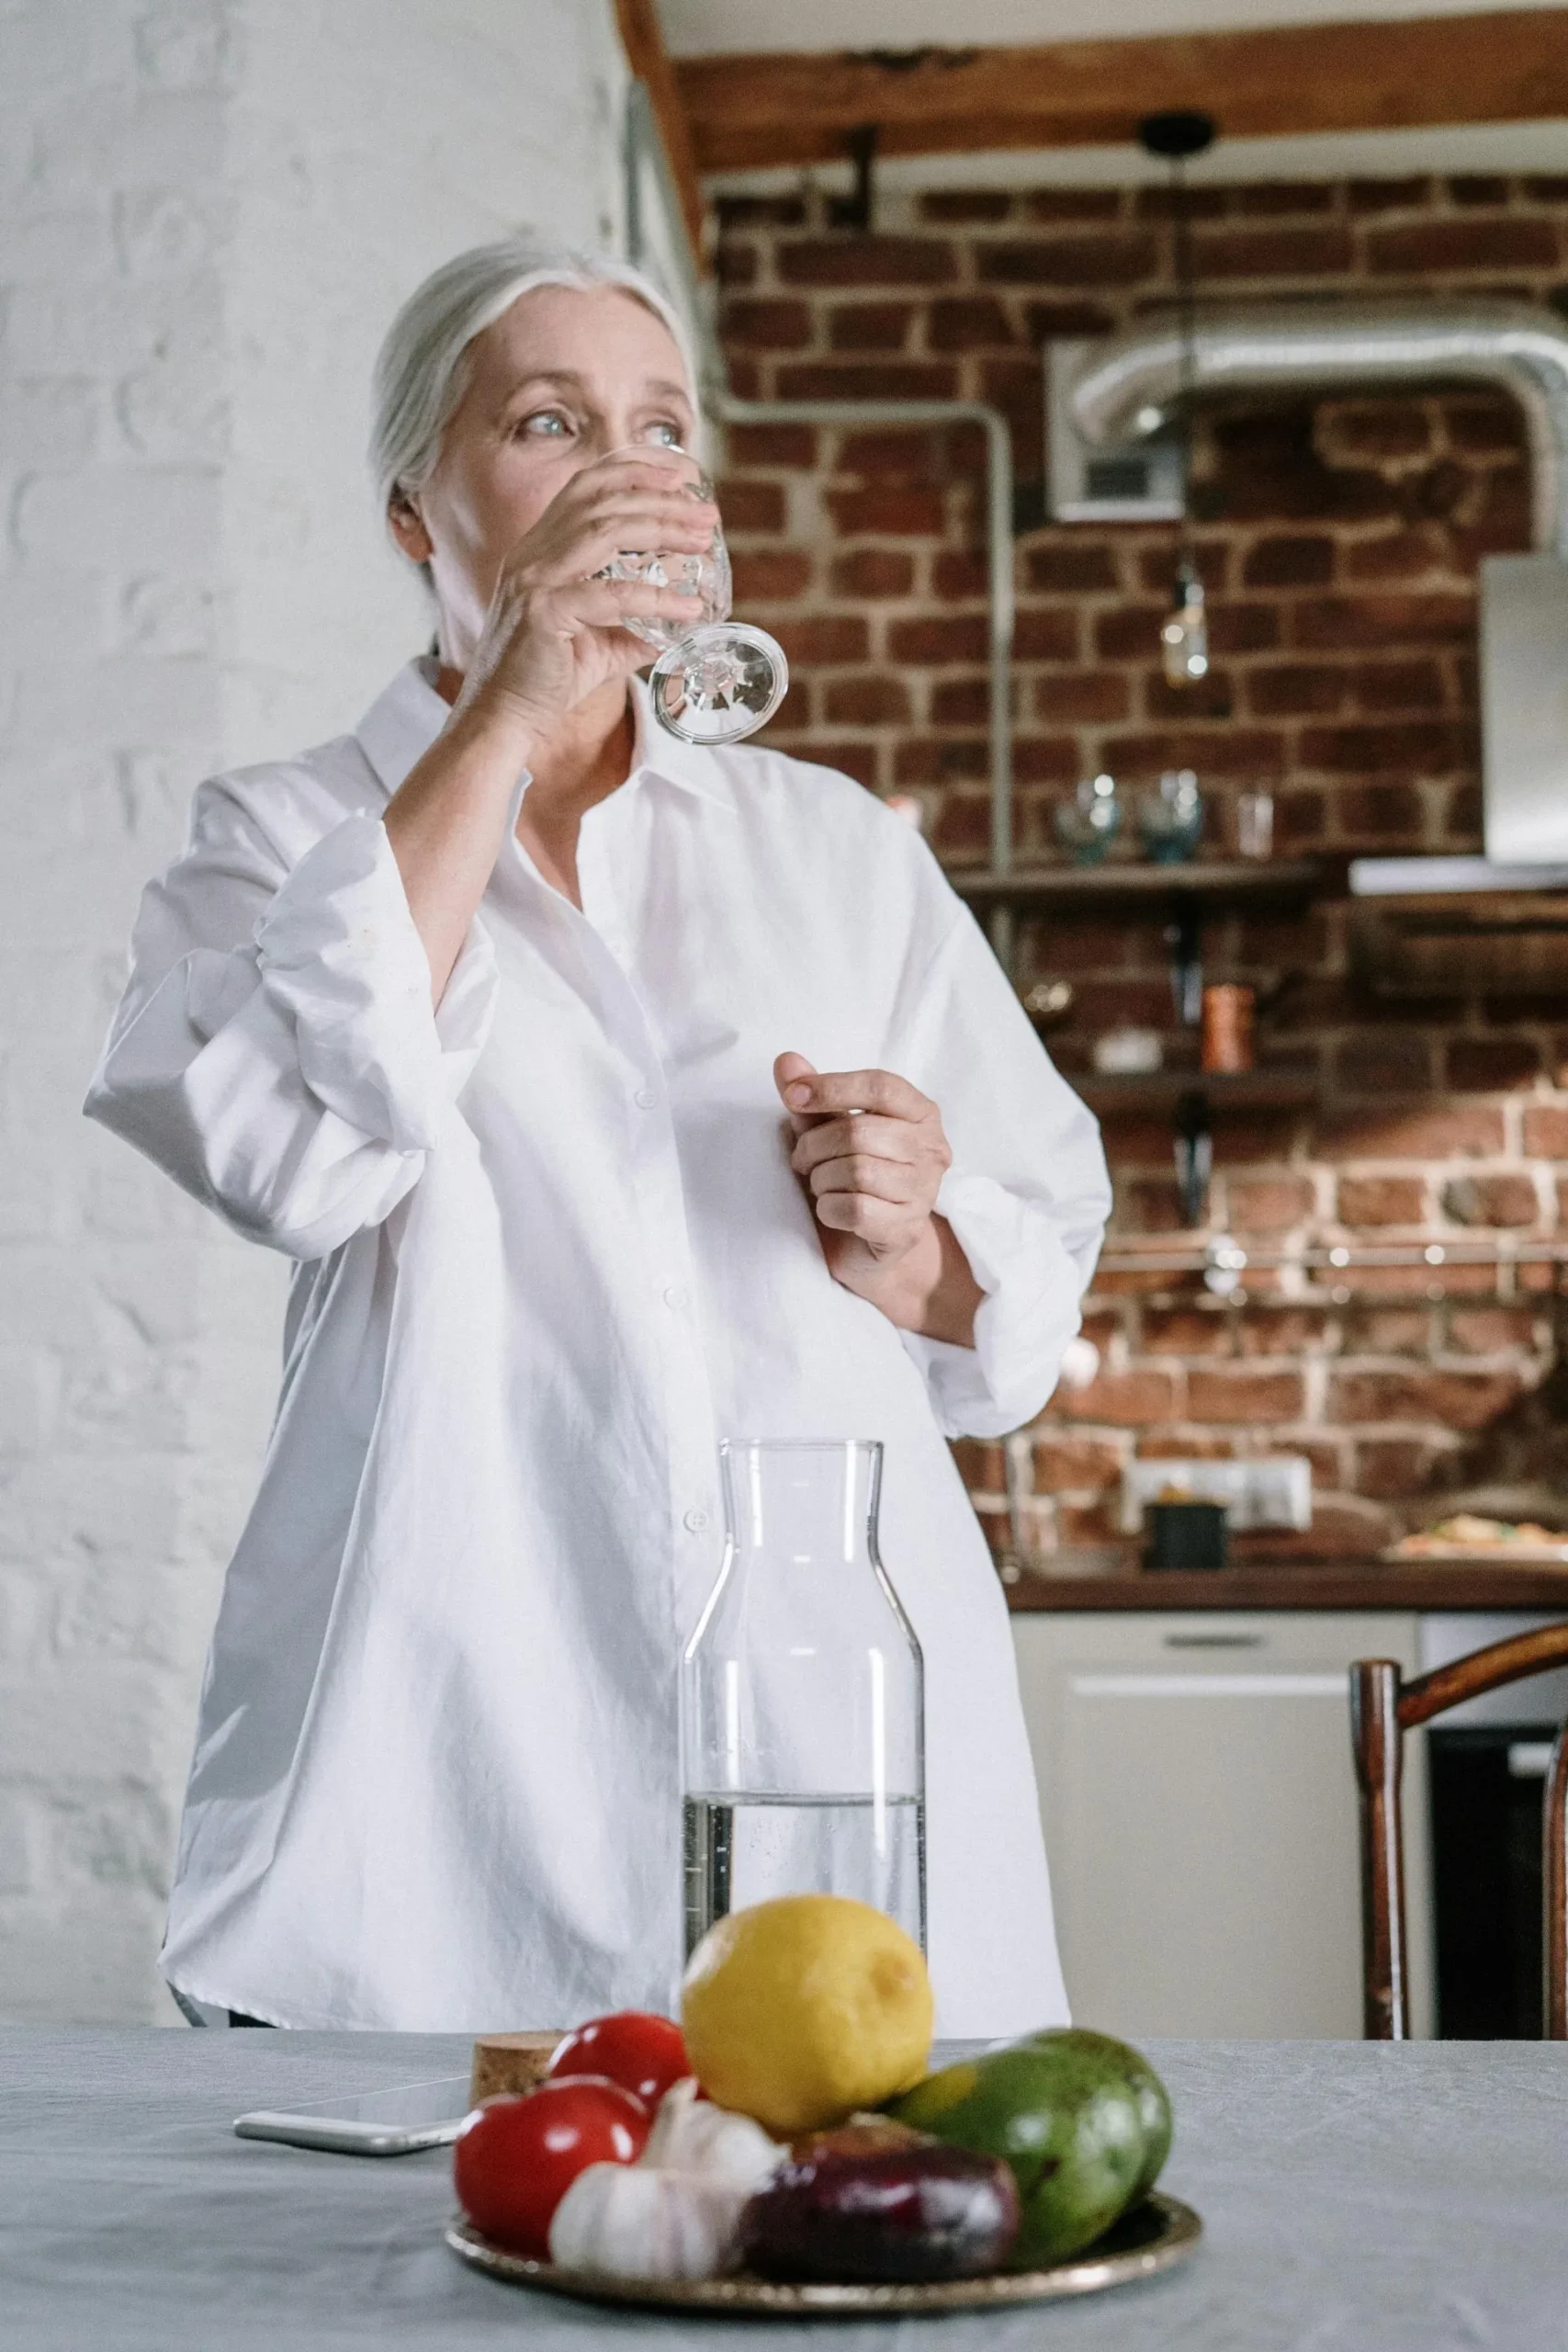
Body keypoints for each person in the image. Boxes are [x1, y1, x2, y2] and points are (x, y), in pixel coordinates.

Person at [85, 239, 1111, 2033]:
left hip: (828, 1730)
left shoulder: (832, 845)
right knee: (416, 2267)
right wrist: (512, 702)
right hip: (450, 1742)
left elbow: (1027, 1269)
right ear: (419, 508)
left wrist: (912, 1240)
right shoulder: (277, 834)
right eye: (550, 423)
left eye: (659, 428)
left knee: (860, 2230)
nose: (624, 472)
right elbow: (289, 1153)